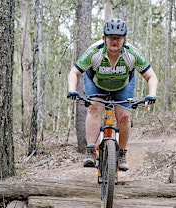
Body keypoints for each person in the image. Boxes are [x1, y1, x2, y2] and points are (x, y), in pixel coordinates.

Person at [66, 18, 158, 171]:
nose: (114, 41)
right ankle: (90, 151)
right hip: (96, 84)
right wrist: (72, 89)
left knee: (124, 116)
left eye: (118, 38)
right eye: (111, 37)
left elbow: (151, 76)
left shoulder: (132, 54)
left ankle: (121, 153)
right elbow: (74, 72)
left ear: (124, 39)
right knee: (94, 108)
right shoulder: (94, 52)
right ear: (104, 38)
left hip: (123, 86)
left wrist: (152, 94)